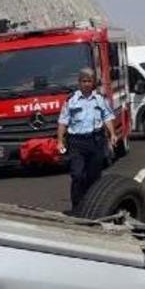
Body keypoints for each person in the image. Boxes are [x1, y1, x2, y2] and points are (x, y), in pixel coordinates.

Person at [56, 68, 117, 212]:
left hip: (95, 141)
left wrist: (112, 134)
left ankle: (93, 207)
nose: (87, 84)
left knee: (94, 176)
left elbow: (107, 117)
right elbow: (63, 122)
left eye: (89, 81)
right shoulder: (71, 100)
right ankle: (77, 207)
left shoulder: (99, 99)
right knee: (77, 175)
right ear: (79, 83)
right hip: (77, 142)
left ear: (93, 83)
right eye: (84, 81)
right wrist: (59, 141)